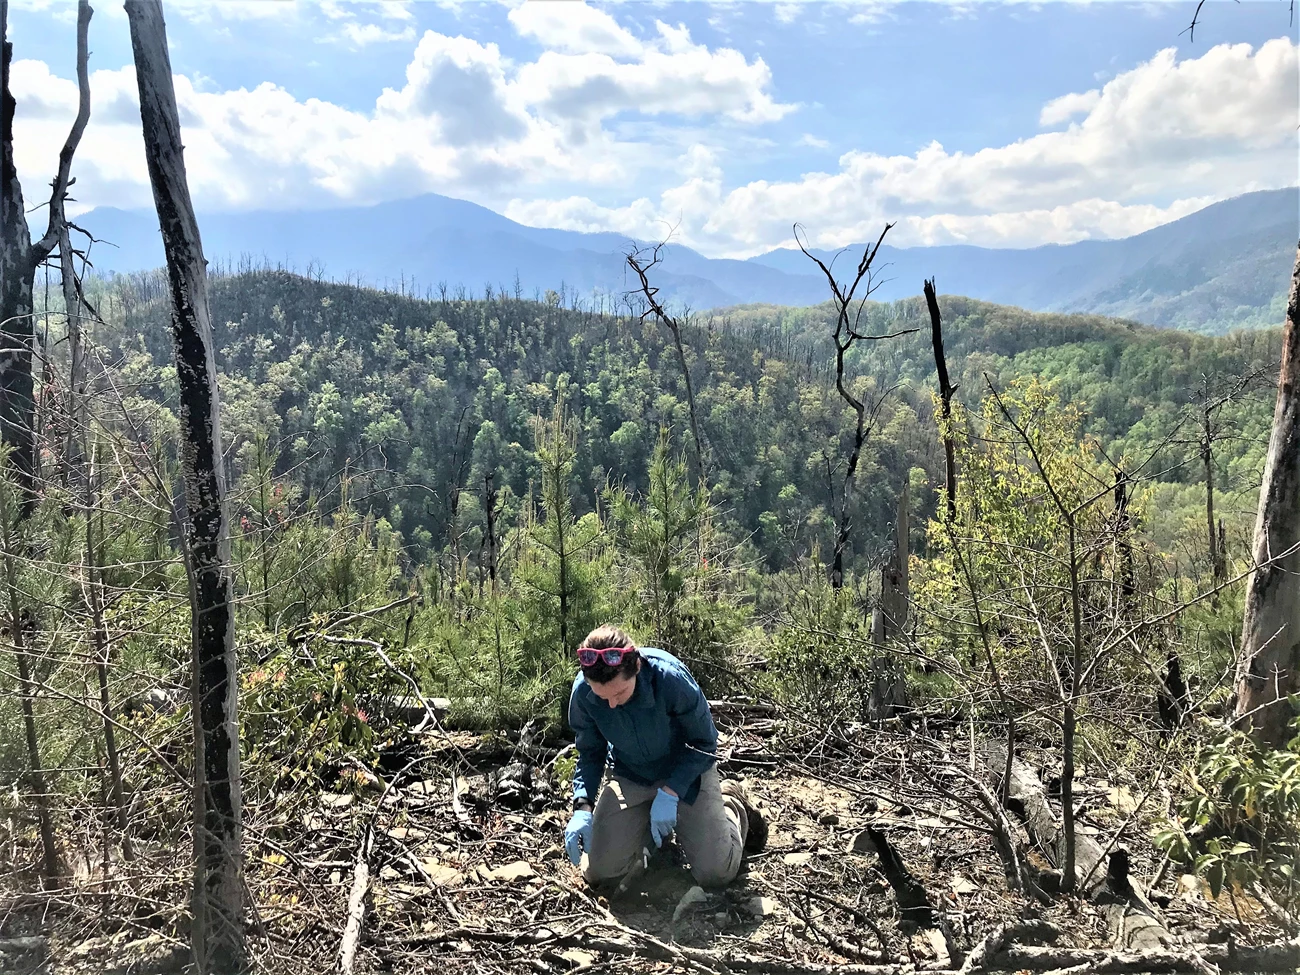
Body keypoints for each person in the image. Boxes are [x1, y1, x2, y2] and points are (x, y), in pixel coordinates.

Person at [563, 624, 767, 888]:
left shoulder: (670, 679)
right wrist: (582, 806)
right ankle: (647, 833)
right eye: (603, 698)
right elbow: (591, 752)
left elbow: (704, 741)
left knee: (717, 872)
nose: (611, 704)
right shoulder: (583, 693)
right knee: (600, 872)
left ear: (636, 666)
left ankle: (732, 805)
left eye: (619, 693)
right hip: (632, 774)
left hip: (687, 774)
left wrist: (671, 792)